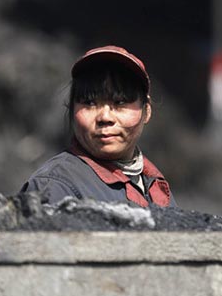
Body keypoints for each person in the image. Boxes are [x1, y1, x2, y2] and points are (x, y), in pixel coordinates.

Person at [20, 45, 176, 207]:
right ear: (71, 109)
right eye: (90, 103)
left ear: (147, 111)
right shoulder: (55, 188)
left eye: (120, 102)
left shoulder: (154, 185)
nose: (105, 117)